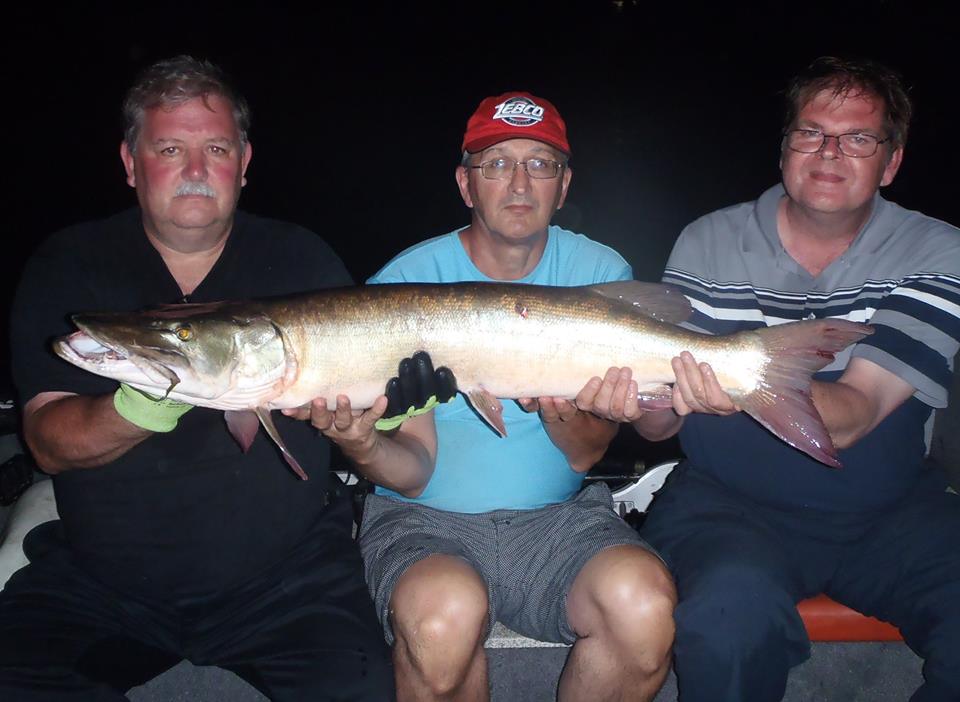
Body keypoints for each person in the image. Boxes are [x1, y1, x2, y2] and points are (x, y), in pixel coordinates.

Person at [0, 56, 393, 701]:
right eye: (169, 149)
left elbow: (367, 402)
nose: (194, 170)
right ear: (131, 163)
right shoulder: (70, 262)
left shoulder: (301, 257)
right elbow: (46, 441)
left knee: (363, 687)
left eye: (215, 149)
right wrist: (147, 399)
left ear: (244, 162)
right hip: (104, 581)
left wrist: (390, 405)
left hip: (289, 580)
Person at [288, 92, 676, 701]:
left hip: (559, 521)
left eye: (540, 164)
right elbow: (412, 472)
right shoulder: (403, 284)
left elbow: (585, 454)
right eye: (496, 164)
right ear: (465, 184)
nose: (519, 183)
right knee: (441, 618)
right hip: (422, 524)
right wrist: (358, 440)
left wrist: (564, 412)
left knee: (644, 607)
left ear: (564, 185)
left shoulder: (597, 271)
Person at [626, 57, 960, 701]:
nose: (830, 152)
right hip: (729, 508)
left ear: (891, 162)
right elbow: (659, 421)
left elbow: (857, 412)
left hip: (890, 513)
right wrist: (631, 403)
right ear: (784, 149)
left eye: (858, 137)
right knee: (726, 620)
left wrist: (736, 380)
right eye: (811, 133)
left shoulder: (937, 251)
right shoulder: (708, 240)